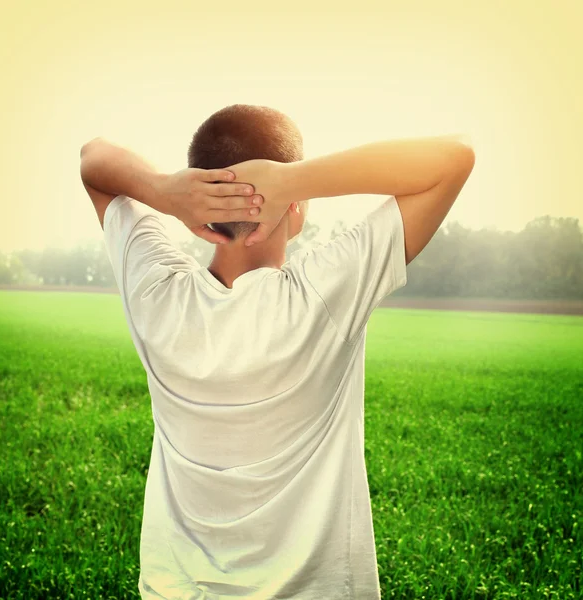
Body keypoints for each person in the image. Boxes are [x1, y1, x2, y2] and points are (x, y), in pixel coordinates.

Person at [79, 104, 475, 599]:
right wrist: (293, 180)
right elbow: (452, 158)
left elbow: (94, 160)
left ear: (193, 212)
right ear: (297, 208)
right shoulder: (321, 297)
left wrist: (164, 191)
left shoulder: (156, 292)